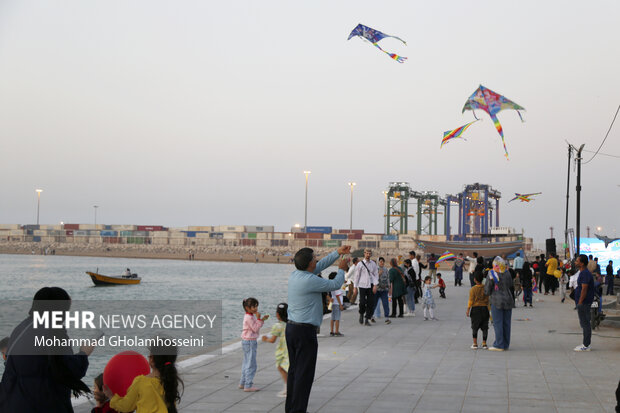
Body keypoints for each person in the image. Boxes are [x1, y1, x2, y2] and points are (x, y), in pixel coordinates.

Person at [0, 287, 93, 412]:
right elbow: (69, 370)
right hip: (43, 405)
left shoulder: (20, 328)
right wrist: (84, 353)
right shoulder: (54, 332)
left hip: (12, 403)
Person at [285, 245, 350, 413]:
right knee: (304, 375)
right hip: (304, 332)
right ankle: (298, 410)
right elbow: (335, 284)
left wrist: (337, 253)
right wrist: (342, 269)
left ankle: (291, 408)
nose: (317, 260)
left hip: (292, 329)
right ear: (309, 263)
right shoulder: (310, 280)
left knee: (294, 371)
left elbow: (319, 266)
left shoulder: (296, 275)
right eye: (315, 258)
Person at [106, 343, 183, 413]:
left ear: (152, 359)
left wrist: (111, 397)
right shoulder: (170, 380)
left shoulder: (141, 382)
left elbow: (126, 406)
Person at [239, 297, 269, 392]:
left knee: (246, 361)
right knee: (251, 364)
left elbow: (254, 325)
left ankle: (242, 382)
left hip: (246, 341)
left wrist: (261, 319)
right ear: (247, 308)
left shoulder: (249, 316)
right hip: (250, 342)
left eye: (256, 306)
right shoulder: (249, 317)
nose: (256, 309)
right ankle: (248, 385)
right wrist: (260, 319)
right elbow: (255, 328)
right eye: (253, 307)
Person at [485, 257, 514, 351]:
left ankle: (499, 344)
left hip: (497, 300)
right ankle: (505, 344)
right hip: (508, 299)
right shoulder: (507, 272)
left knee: (498, 323)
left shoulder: (491, 273)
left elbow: (487, 289)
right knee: (506, 323)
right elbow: (510, 284)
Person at [262, 303, 289, 397]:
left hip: (283, 350)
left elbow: (272, 340)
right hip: (290, 348)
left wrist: (265, 339)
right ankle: (288, 388)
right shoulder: (290, 324)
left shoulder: (278, 326)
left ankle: (287, 388)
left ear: (277, 314)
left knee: (281, 367)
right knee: (287, 368)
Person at [573, 254, 595, 351]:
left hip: (584, 303)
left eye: (577, 261)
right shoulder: (582, 272)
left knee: (585, 323)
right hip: (582, 302)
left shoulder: (585, 273)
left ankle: (586, 345)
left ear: (581, 263)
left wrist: (580, 302)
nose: (575, 262)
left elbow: (584, 289)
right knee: (584, 323)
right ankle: (586, 344)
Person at [353, 249, 378, 326]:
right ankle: (361, 314)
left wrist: (375, 285)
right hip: (362, 285)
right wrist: (355, 287)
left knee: (370, 303)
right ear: (364, 254)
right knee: (362, 302)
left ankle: (367, 318)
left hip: (370, 285)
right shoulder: (360, 264)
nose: (368, 255)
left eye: (369, 253)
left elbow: (375, 275)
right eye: (367, 253)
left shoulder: (373, 264)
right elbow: (357, 276)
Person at [466, 272, 490, 349]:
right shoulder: (485, 287)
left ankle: (475, 343)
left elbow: (471, 300)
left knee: (474, 326)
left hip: (475, 309)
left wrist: (468, 309)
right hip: (484, 308)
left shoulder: (473, 289)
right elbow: (488, 300)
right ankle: (484, 343)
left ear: (475, 279)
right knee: (485, 327)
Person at [372, 257, 392, 324]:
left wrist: (389, 287)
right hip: (377, 290)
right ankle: (371, 316)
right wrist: (378, 274)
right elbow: (373, 279)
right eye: (380, 261)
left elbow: (388, 279)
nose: (382, 262)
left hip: (384, 290)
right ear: (378, 262)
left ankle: (387, 318)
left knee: (385, 303)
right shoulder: (375, 269)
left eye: (383, 261)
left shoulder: (386, 269)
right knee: (374, 303)